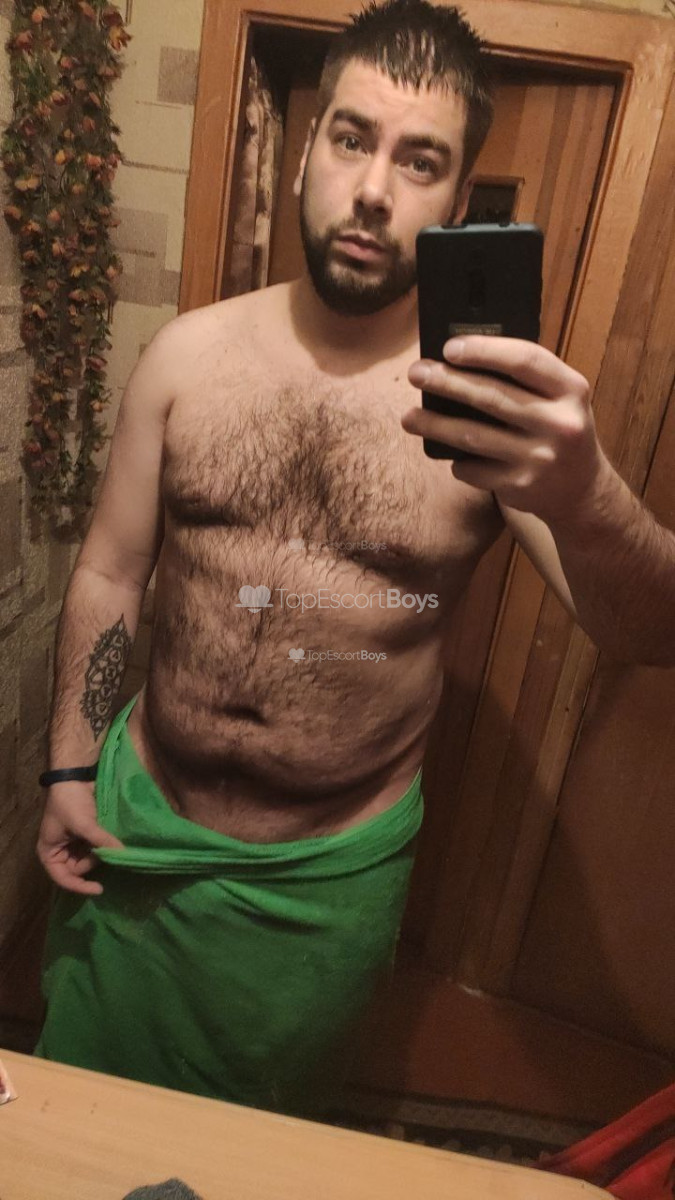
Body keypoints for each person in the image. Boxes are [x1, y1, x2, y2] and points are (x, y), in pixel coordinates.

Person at [34, 0, 675, 1118]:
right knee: (77, 1119)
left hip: (319, 885)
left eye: (419, 160)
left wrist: (587, 493)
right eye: (350, 138)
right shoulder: (185, 359)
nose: (374, 188)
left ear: (458, 203)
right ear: (303, 156)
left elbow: (646, 632)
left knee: (265, 1153)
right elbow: (108, 574)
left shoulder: (491, 415)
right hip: (137, 830)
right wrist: (69, 767)